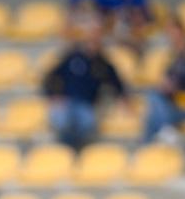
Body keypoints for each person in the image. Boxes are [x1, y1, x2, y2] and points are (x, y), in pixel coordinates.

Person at [43, 21, 128, 149]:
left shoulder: (103, 63)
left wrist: (122, 98)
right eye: (90, 37)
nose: (93, 41)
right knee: (61, 121)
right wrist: (53, 95)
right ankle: (68, 151)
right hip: (67, 101)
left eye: (96, 38)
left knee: (87, 123)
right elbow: (51, 77)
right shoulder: (73, 57)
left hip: (87, 104)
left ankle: (77, 151)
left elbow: (116, 83)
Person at [142, 16, 185, 143]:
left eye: (174, 33)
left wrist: (176, 88)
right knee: (152, 113)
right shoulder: (174, 59)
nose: (173, 37)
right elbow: (167, 81)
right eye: (169, 34)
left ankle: (155, 138)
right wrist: (166, 86)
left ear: (183, 32)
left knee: (154, 107)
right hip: (176, 104)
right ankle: (162, 134)